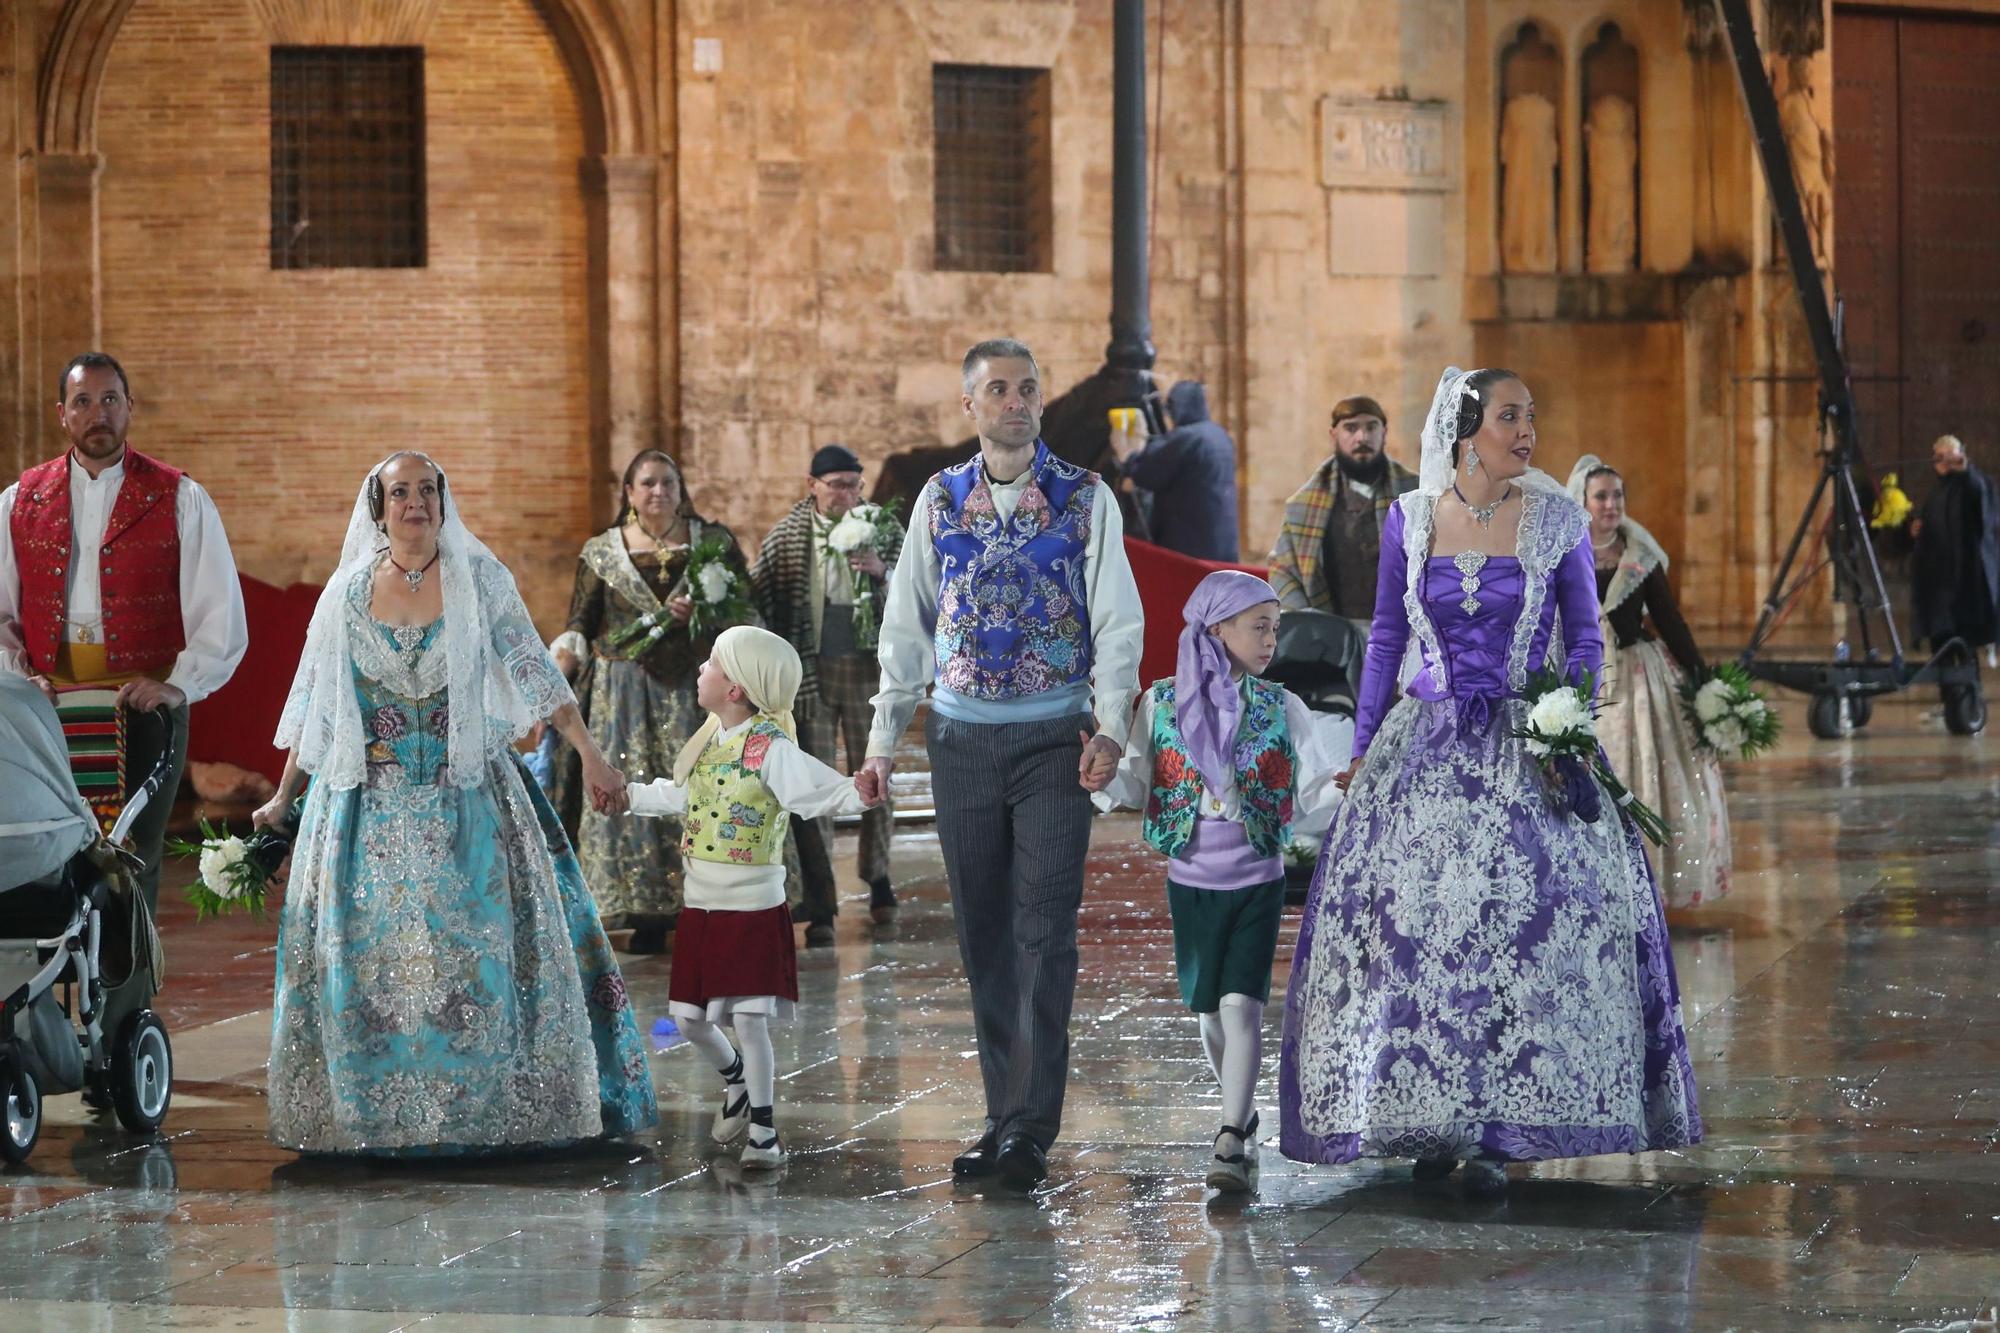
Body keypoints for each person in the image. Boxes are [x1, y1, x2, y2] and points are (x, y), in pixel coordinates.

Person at [1279, 367, 1701, 1194]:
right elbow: (1387, 639)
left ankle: (1497, 1133)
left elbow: (1584, 640)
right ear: (1466, 430)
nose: (1527, 430)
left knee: (1519, 931)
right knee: (1418, 940)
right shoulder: (1410, 518)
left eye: (1532, 416)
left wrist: (1566, 720)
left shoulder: (1555, 521)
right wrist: (1364, 750)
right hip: (1425, 747)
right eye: (1510, 415)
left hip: (1525, 744)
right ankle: (1431, 1120)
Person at [257, 452, 657, 1155]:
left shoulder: (479, 578)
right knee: (368, 969)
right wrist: (283, 797)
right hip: (366, 812)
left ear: (444, 500)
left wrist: (591, 752)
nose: (415, 502)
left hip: (469, 800)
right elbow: (319, 707)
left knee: (479, 961)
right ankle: (370, 1117)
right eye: (399, 492)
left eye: (426, 490)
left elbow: (534, 669)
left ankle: (490, 1110)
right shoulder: (347, 592)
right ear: (378, 508)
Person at [858, 337, 1145, 1189]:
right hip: (961, 744)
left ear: (1040, 401)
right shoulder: (939, 502)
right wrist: (881, 741)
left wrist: (1112, 728)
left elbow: (1118, 621)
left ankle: (1030, 1127)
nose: (1014, 401)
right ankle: (1002, 1115)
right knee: (985, 933)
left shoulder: (1087, 498)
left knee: (1044, 929)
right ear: (969, 407)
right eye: (997, 390)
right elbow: (906, 626)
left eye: (1027, 387)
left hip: (1054, 741)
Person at [1093, 570, 1344, 1191]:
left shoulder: (1281, 705)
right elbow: (1136, 781)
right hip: (1191, 878)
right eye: (1259, 627)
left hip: (1256, 873)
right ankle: (1242, 1113)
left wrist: (1342, 792)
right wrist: (1102, 778)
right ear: (1216, 629)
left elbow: (1309, 789)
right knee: (1209, 1011)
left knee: (1241, 1005)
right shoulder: (1160, 703)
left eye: (1275, 629)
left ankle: (1230, 1136)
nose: (1270, 641)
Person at [0, 352, 248, 913]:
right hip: (47, 712)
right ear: (61, 413)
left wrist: (179, 684)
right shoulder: (18, 502)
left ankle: (128, 998)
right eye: (83, 402)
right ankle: (57, 992)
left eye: (110, 400)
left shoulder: (178, 497)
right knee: (50, 856)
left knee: (134, 858)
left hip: (145, 707)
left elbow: (219, 612)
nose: (98, 413)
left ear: (129, 408)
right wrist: (20, 680)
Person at [621, 626, 876, 1168]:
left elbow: (820, 790)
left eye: (710, 663)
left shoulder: (770, 749)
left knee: (750, 1020)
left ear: (735, 687)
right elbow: (682, 795)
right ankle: (734, 1078)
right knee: (687, 1018)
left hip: (751, 908)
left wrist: (860, 789)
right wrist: (627, 796)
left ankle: (765, 1133)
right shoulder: (710, 741)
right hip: (701, 906)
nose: (700, 671)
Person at [550, 449, 758, 953]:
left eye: (668, 482)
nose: (658, 492)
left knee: (705, 794)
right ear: (629, 493)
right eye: (647, 483)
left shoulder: (713, 543)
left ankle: (708, 907)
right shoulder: (602, 552)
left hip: (698, 691)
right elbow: (582, 621)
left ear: (681, 489)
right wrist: (553, 679)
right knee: (638, 794)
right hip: (623, 700)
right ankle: (645, 913)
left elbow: (748, 609)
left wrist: (705, 616)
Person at [750, 443, 904, 942]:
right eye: (836, 484)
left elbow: (921, 587)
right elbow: (758, 592)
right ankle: (821, 900)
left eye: (854, 484)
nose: (846, 494)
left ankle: (877, 875)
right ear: (812, 485)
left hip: (865, 671)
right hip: (809, 673)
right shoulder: (788, 535)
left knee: (874, 772)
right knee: (810, 781)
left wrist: (882, 572)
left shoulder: (882, 526)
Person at [1570, 456, 1731, 910]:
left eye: (1617, 495)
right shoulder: (1566, 552)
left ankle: (1652, 886)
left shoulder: (1639, 554)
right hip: (1588, 679)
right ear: (1583, 500)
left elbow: (1670, 621)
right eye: (1601, 496)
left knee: (1649, 777)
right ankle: (1598, 885)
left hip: (1640, 677)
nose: (1610, 504)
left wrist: (1704, 681)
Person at [1267, 395, 1420, 638]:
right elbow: (1283, 569)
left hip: (1403, 631)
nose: (1362, 437)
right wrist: (1307, 621)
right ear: (1333, 435)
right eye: (1351, 428)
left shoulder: (1417, 494)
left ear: (1385, 432)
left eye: (1371, 427)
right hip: (1331, 634)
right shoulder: (1304, 505)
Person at [1110, 380, 1240, 561]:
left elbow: (1146, 474)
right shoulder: (1219, 434)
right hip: (1222, 543)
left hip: (1190, 545)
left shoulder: (1186, 439)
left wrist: (1129, 455)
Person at [1911, 435, 2000, 663]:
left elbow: (1982, 508)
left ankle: (1968, 697)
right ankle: (1949, 696)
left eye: (1948, 456)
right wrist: (1918, 528)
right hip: (1939, 585)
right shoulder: (1936, 491)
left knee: (1964, 647)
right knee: (1940, 648)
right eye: (1938, 457)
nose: (1943, 462)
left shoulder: (1974, 482)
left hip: (1963, 586)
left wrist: (1965, 469)